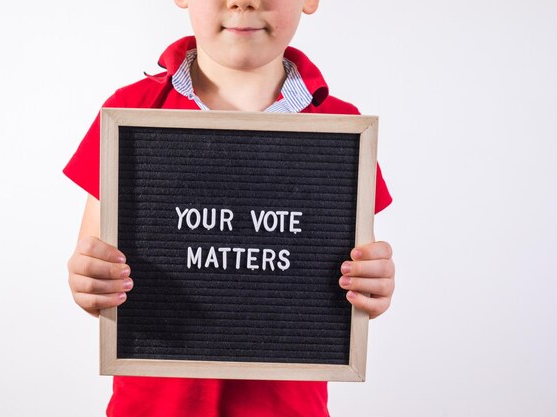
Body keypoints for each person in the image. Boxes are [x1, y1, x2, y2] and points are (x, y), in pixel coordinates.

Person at [64, 1, 396, 416]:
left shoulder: (342, 132)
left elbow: (351, 278)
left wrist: (371, 285)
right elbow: (93, 263)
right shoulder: (132, 115)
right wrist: (90, 282)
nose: (243, 1)